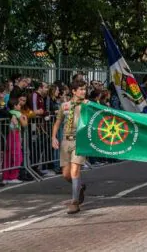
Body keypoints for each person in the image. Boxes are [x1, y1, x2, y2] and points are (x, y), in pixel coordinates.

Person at [51, 80, 88, 214]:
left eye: (85, 89)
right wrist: (53, 137)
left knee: (74, 171)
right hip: (66, 141)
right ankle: (80, 187)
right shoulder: (64, 106)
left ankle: (74, 202)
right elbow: (58, 122)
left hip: (79, 141)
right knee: (66, 175)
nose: (84, 92)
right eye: (81, 89)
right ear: (74, 91)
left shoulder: (87, 105)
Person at [2, 97, 27, 184]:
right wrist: (25, 118)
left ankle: (5, 176)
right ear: (15, 106)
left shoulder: (9, 112)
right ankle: (13, 176)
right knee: (18, 157)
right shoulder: (17, 113)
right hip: (15, 134)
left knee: (8, 157)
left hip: (9, 135)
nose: (20, 106)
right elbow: (24, 125)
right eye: (19, 105)